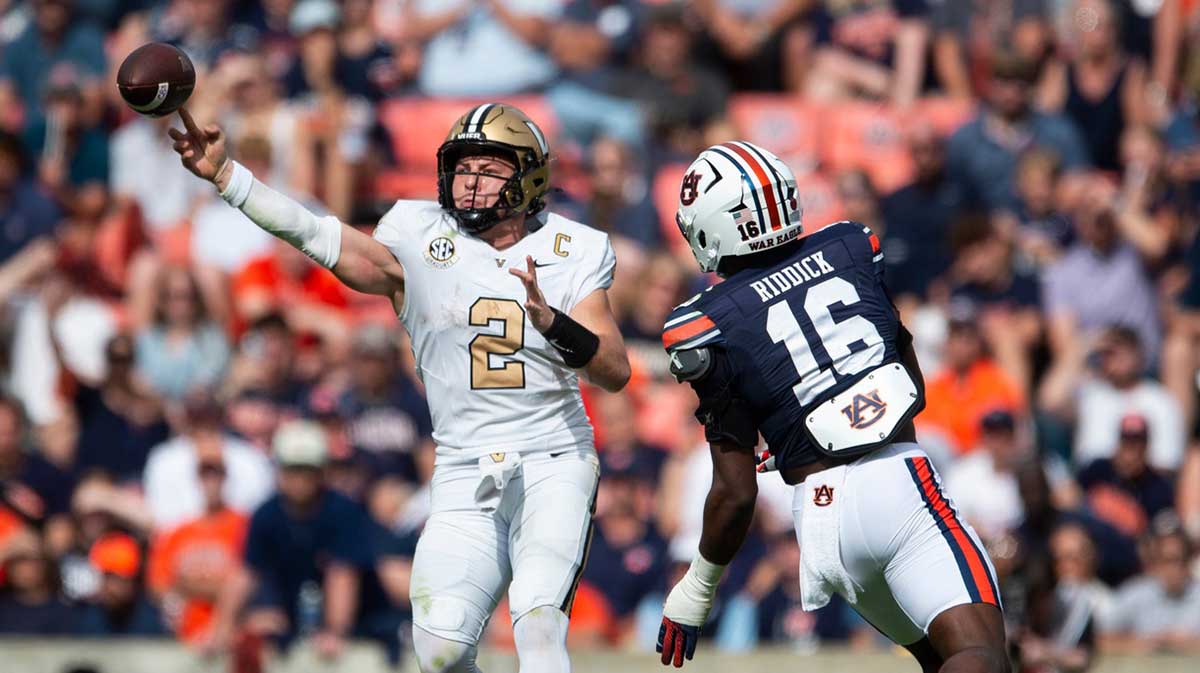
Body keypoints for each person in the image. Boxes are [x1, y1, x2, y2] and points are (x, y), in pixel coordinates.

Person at [168, 101, 631, 673]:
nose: (471, 181)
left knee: (538, 623)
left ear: (529, 177)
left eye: (489, 169)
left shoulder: (573, 249)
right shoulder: (418, 237)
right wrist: (228, 177)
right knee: (438, 651)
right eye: (464, 168)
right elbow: (316, 235)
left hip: (553, 459)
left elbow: (615, 370)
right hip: (464, 466)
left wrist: (556, 324)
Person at [656, 141, 1007, 672]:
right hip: (897, 484)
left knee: (941, 663)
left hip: (821, 524)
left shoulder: (704, 322)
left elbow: (735, 491)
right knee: (980, 658)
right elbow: (909, 385)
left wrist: (696, 591)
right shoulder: (849, 247)